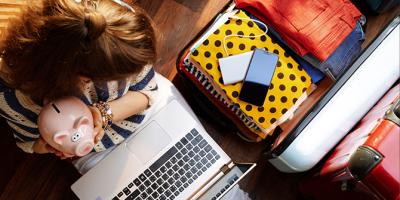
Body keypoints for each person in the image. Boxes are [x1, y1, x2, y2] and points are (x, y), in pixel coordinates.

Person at [0, 0, 158, 173]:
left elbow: (147, 93)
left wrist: (102, 113)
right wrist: (47, 145)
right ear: (85, 79)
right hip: (94, 155)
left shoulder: (99, 24)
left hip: (139, 119)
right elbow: (29, 143)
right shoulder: (12, 97)